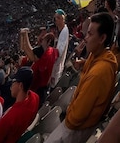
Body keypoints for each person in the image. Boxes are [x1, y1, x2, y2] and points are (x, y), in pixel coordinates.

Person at [46, 13, 118, 143]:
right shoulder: (100, 54)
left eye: (90, 34)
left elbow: (76, 117)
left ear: (102, 38)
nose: (86, 38)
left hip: (72, 131)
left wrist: (68, 115)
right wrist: (83, 63)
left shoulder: (98, 74)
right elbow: (95, 61)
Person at [0, 67, 39, 143]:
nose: (11, 85)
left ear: (20, 85)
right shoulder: (35, 97)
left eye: (14, 81)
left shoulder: (9, 118)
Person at [51, 9, 69, 88]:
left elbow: (59, 52)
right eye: (55, 18)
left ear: (63, 19)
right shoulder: (61, 30)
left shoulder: (64, 32)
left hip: (57, 65)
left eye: (58, 18)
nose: (56, 20)